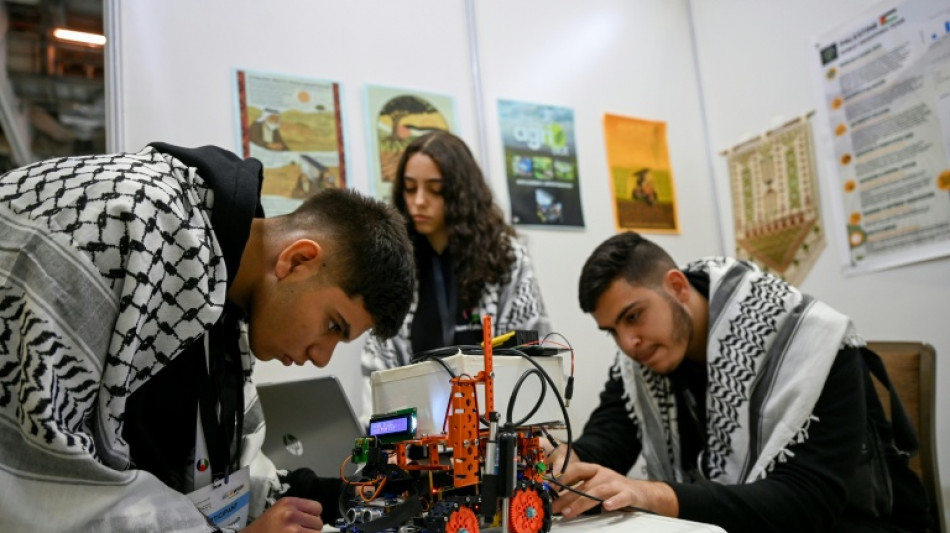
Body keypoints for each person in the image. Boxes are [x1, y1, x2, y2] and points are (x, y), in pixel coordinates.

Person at [0, 143, 415, 532]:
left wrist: (345, 496)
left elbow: (208, 472)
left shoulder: (217, 294)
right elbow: (43, 481)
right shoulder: (135, 218)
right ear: (298, 260)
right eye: (333, 326)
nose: (322, 357)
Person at [546, 232, 934, 532]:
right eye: (611, 331)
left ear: (678, 287)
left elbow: (807, 503)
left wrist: (652, 494)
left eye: (633, 317)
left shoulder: (809, 343)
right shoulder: (647, 352)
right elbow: (612, 432)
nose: (627, 343)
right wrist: (568, 460)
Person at [360, 131, 550, 421]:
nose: (419, 201)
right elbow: (378, 365)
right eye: (410, 189)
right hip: (420, 433)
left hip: (494, 425)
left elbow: (531, 350)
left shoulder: (506, 257)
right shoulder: (394, 262)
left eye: (435, 189)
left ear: (462, 193)